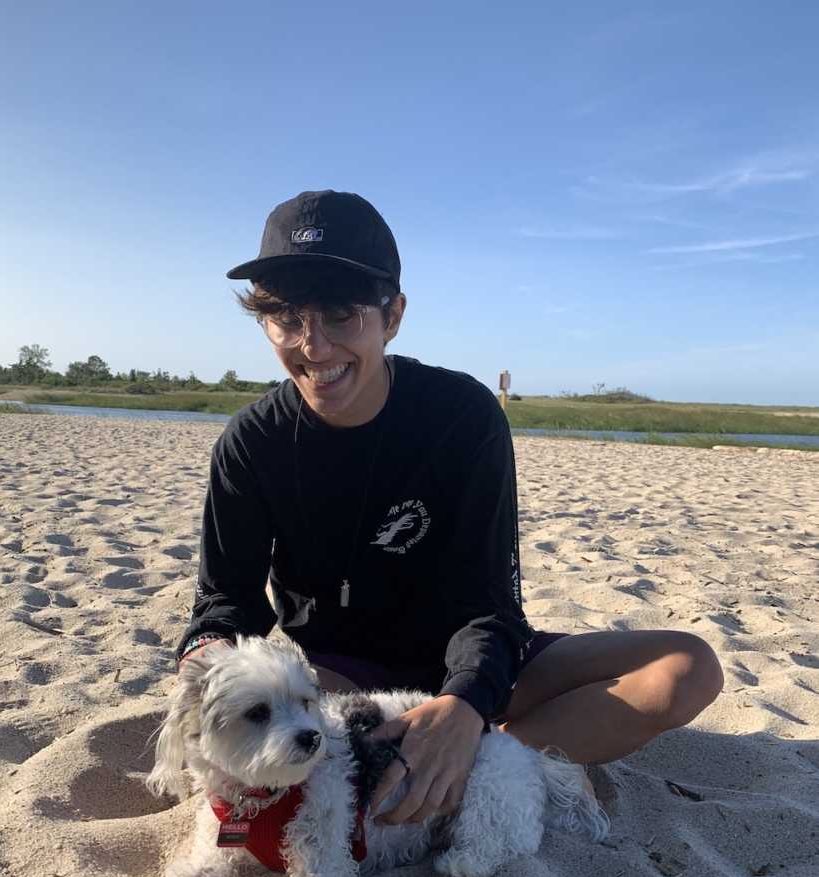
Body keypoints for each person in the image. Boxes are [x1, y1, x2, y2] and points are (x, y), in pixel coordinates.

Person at [177, 190, 723, 828]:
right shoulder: (253, 441)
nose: (313, 346)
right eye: (286, 318)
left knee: (689, 667)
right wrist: (203, 656)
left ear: (393, 314)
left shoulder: (462, 418)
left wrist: (464, 704)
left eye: (341, 313)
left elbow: (490, 602)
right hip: (341, 678)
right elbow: (225, 606)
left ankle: (486, 762)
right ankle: (470, 768)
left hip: (469, 655)